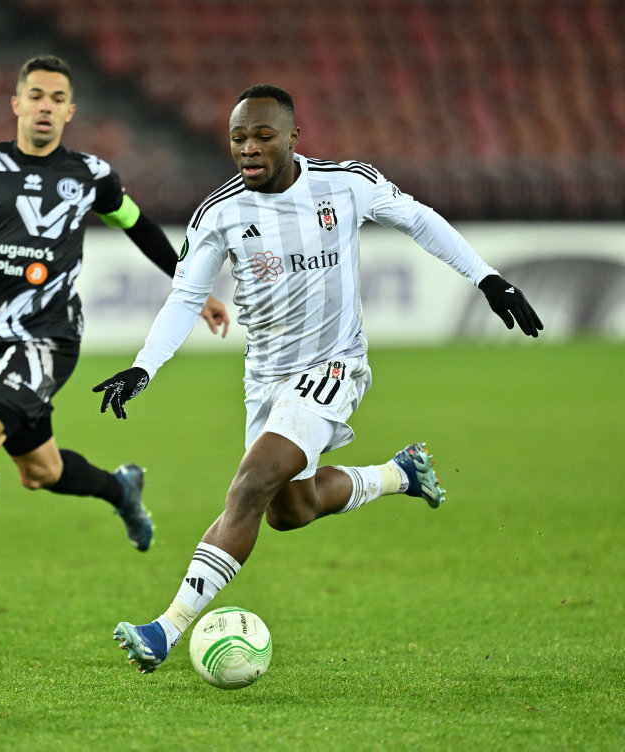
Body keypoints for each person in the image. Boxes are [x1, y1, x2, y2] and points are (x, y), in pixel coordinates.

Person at [93, 84, 542, 673]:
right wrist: (143, 366)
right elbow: (185, 298)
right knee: (289, 510)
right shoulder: (220, 212)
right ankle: (397, 474)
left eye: (262, 136)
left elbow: (420, 221)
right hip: (266, 378)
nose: (248, 149)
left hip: (335, 364)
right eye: (237, 138)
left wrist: (488, 278)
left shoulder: (345, 183)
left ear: (292, 137)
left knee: (250, 485)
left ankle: (165, 628)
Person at [0, 54, 230, 629]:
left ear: (70, 111)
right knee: (40, 471)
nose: (46, 107)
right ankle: (120, 489)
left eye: (57, 99)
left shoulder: (91, 175)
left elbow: (140, 228)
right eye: (37, 96)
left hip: (50, 336)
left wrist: (192, 289)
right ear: (17, 104)